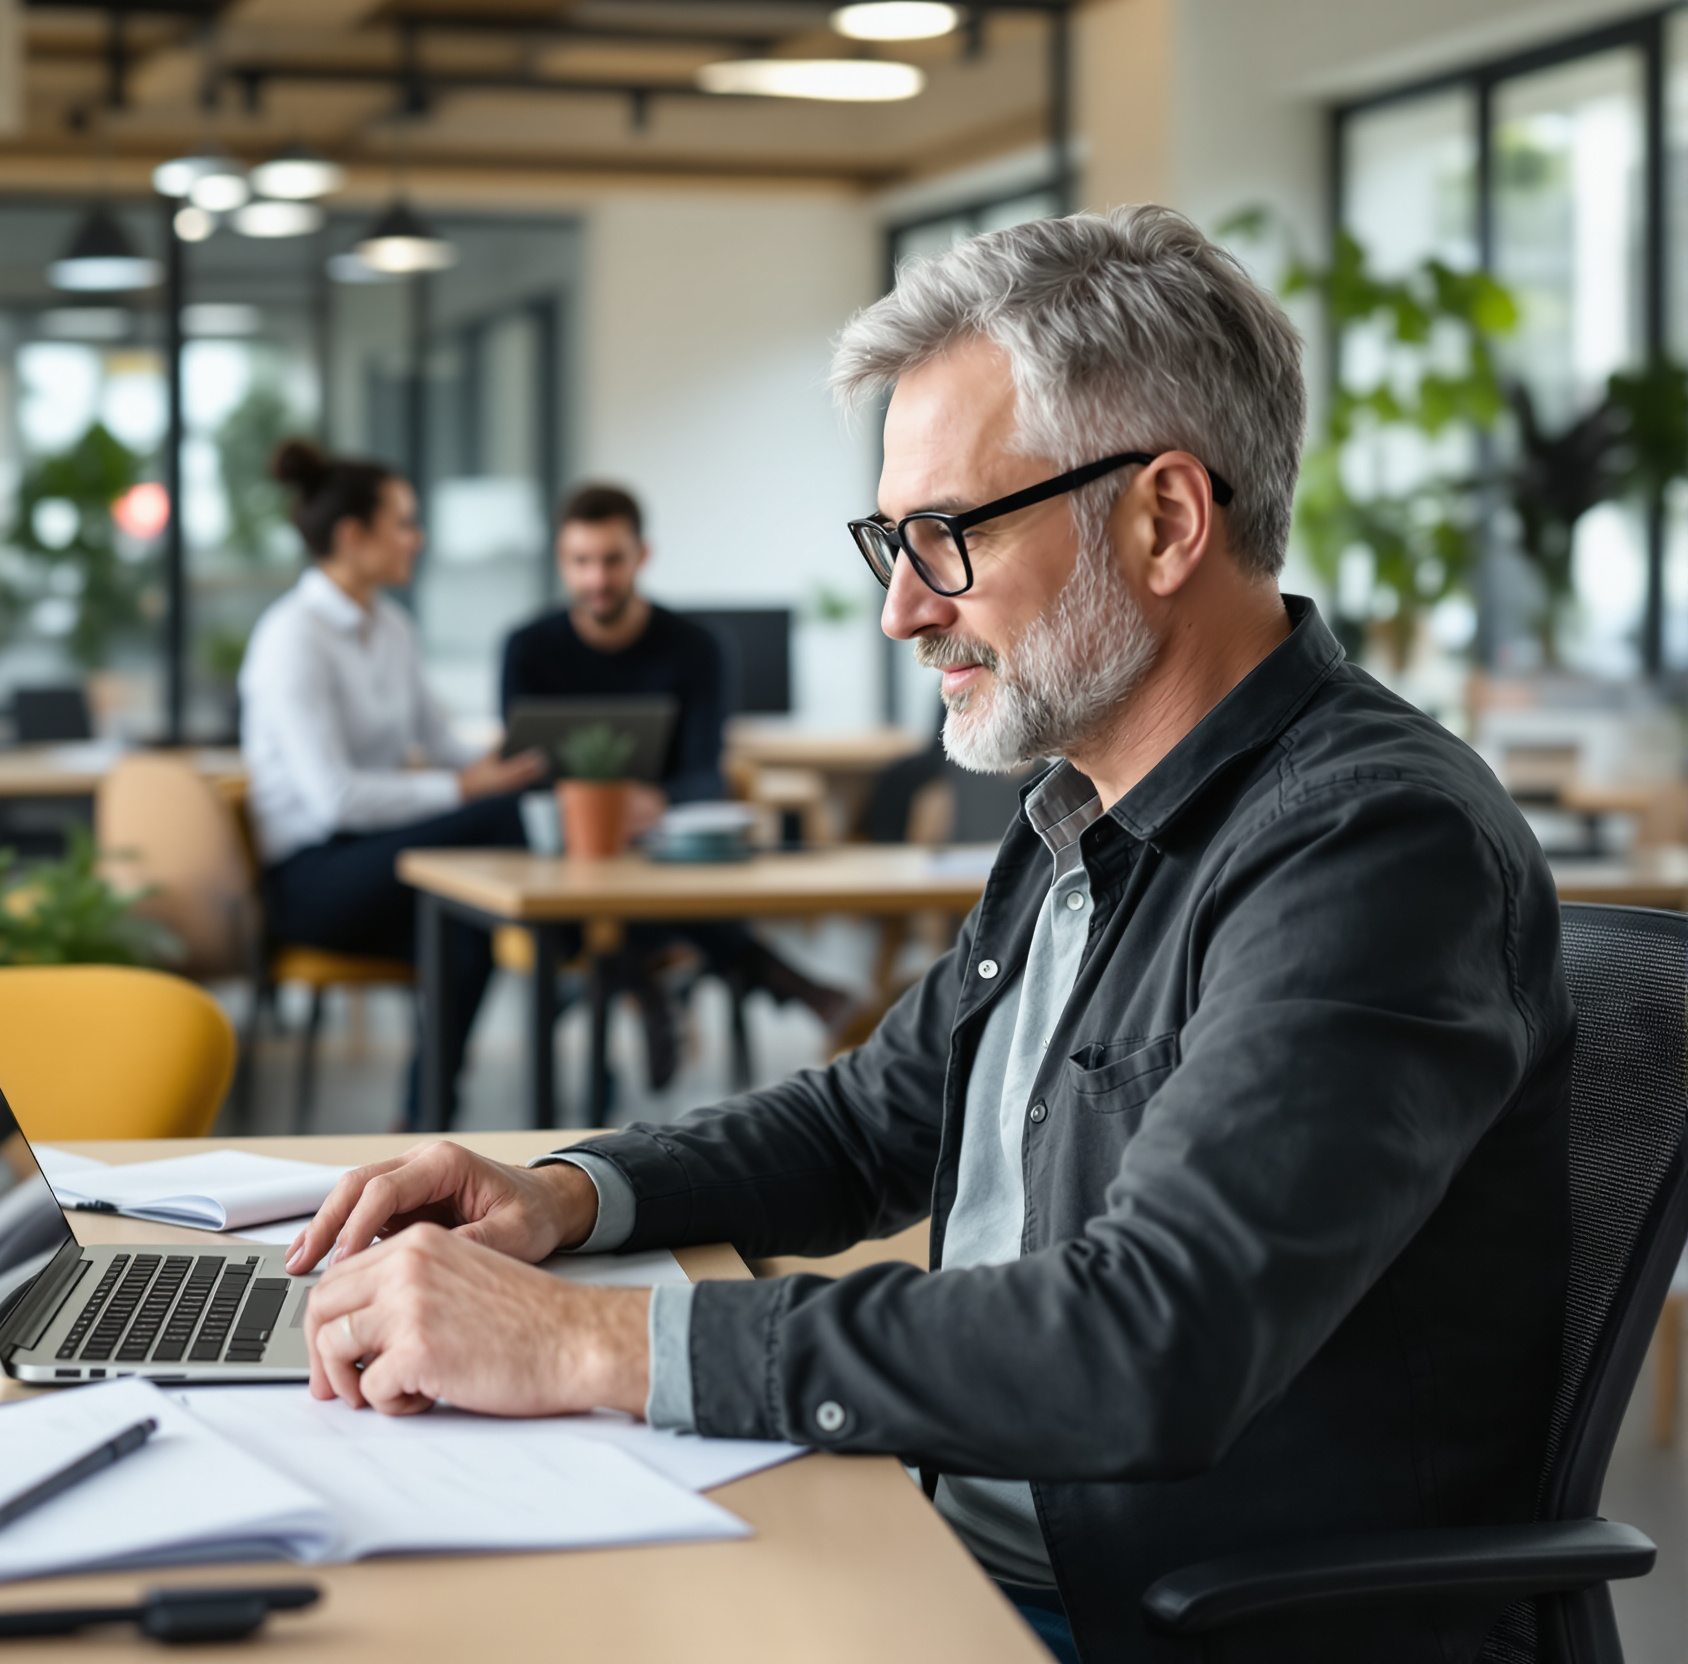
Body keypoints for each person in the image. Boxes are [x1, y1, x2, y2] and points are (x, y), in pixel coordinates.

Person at [278, 207, 1569, 1664]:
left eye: (945, 536)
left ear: (1163, 520)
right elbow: (872, 1120)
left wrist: (590, 1343)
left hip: (1156, 1617)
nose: (900, 608)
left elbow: (1150, 1340)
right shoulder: (1083, 809)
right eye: (893, 539)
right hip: (952, 1535)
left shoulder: (1371, 848)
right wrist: (567, 1197)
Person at [500, 484, 856, 1084]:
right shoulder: (527, 648)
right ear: (562, 562)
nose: (597, 578)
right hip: (564, 858)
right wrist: (595, 811)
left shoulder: (697, 648)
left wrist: (655, 803)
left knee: (671, 878)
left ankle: (637, 984)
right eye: (581, 561)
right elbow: (522, 778)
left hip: (668, 851)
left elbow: (704, 771)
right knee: (616, 891)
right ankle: (751, 985)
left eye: (612, 559)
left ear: (643, 555)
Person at [239, 439, 546, 1126]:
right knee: (495, 816)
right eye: (403, 522)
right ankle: (582, 946)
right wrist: (472, 789)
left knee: (466, 936)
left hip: (380, 866)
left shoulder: (393, 628)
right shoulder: (293, 637)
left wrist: (512, 755)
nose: (418, 537)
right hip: (313, 879)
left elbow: (439, 747)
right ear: (352, 537)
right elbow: (335, 798)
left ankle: (423, 1121)